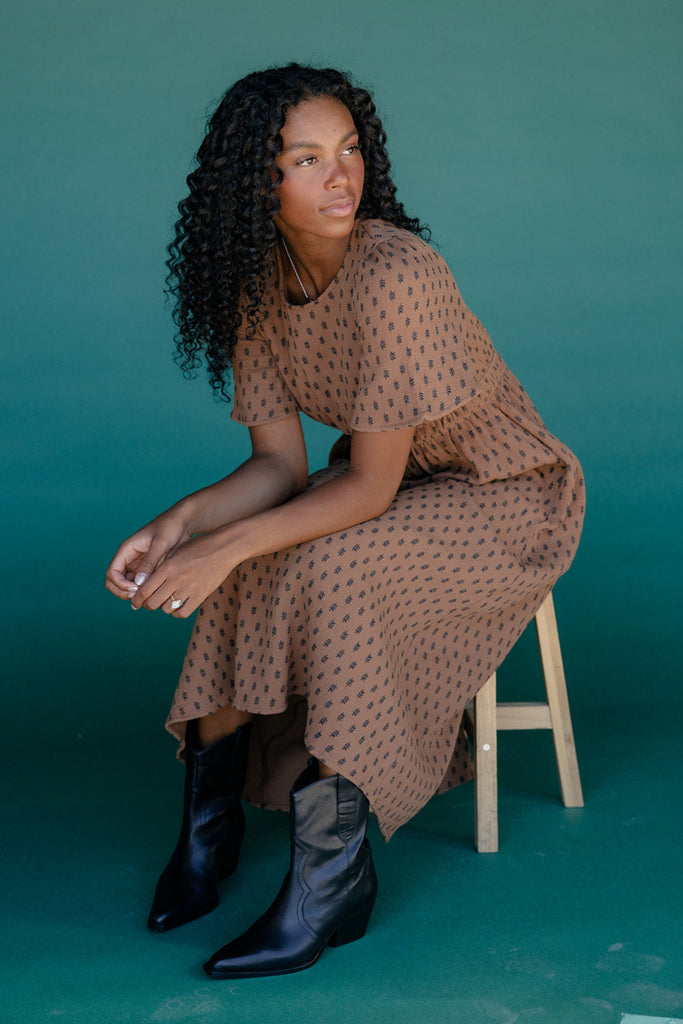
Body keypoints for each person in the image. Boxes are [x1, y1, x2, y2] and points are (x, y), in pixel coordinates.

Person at [105, 63, 585, 980]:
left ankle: (330, 883)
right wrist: (180, 528)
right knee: (251, 560)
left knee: (324, 564)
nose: (341, 176)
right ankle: (206, 835)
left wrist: (222, 548)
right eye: (307, 157)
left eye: (351, 150)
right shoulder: (259, 285)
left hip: (502, 493)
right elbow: (280, 468)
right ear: (259, 182)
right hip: (401, 486)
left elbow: (362, 493)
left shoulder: (397, 271)